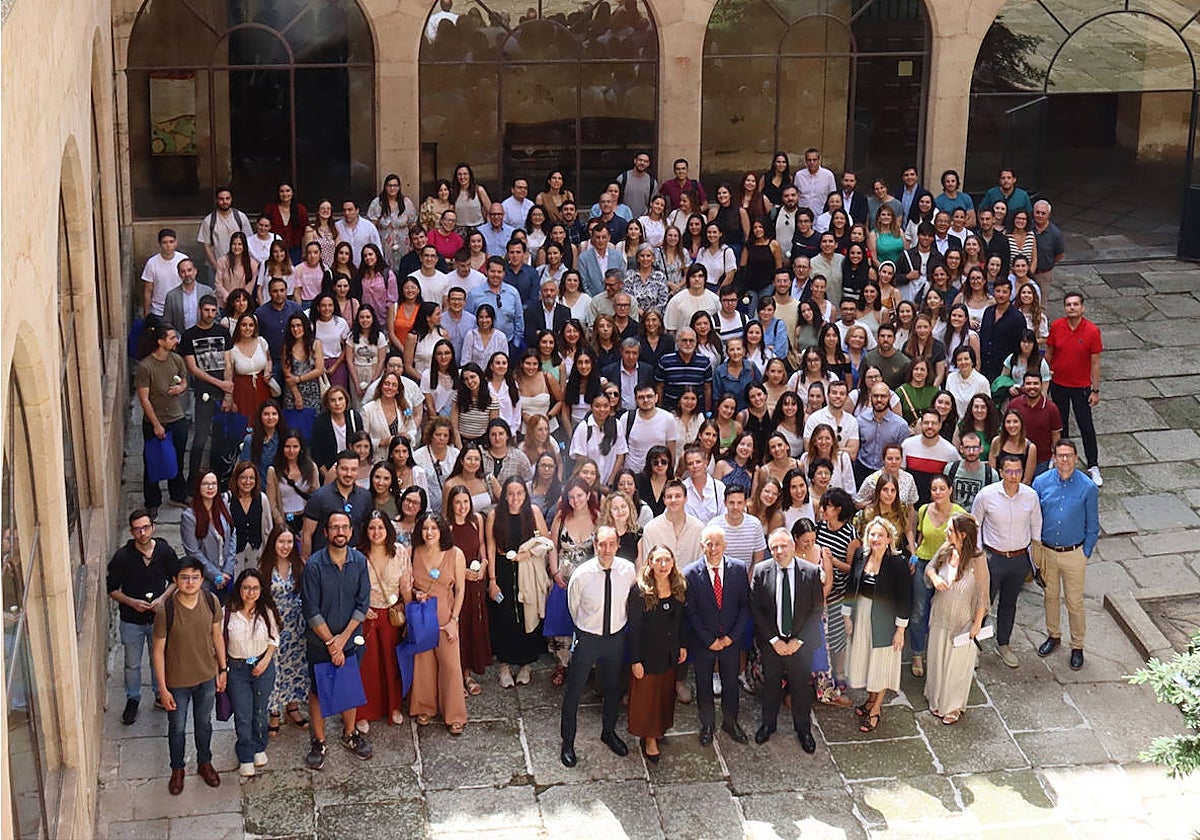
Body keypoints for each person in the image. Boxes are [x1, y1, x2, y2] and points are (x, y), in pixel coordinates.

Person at [559, 526, 638, 767]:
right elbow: (574, 607)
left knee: (613, 688)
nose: (605, 549)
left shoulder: (627, 570)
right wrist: (585, 629)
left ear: (617, 546)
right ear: (595, 546)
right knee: (575, 690)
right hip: (588, 638)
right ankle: (568, 742)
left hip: (615, 637)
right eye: (601, 544)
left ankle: (609, 731)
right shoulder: (582, 574)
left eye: (610, 544)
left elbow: (629, 603)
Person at [301, 511, 373, 770]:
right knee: (318, 690)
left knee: (348, 685)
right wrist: (332, 643)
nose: (340, 532)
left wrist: (342, 641)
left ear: (351, 532)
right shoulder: (314, 566)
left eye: (344, 527)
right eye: (334, 528)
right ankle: (319, 741)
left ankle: (349, 734)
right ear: (326, 532)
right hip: (320, 642)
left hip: (351, 638)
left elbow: (362, 603)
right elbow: (311, 610)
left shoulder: (359, 561)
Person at [152, 557, 226, 794]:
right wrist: (162, 689)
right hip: (177, 682)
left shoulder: (210, 600)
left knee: (204, 724)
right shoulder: (167, 610)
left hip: (205, 677)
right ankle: (177, 769)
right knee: (177, 728)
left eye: (195, 577)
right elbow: (158, 651)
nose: (190, 582)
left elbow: (217, 637)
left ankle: (205, 762)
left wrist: (222, 669)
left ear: (202, 579)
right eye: (184, 577)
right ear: (175, 580)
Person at [750, 528, 825, 752]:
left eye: (783, 546)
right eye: (774, 547)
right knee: (770, 686)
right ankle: (768, 725)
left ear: (793, 545)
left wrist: (798, 641)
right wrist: (774, 640)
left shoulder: (811, 572)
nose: (779, 551)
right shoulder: (761, 571)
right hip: (772, 644)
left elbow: (816, 610)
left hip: (800, 645)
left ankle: (803, 729)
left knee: (800, 688)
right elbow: (756, 610)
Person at [1032, 439, 1099, 671]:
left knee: (1075, 602)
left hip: (1074, 553)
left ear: (1076, 457)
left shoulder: (1087, 487)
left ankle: (1077, 645)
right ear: (1053, 457)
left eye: (1069, 455)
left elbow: (1093, 524)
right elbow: (1034, 516)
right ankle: (1053, 635)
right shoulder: (1040, 483)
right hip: (1048, 551)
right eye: (1060, 455)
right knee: (1050, 596)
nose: (1064, 460)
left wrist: (1086, 552)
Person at [971, 452, 1042, 668]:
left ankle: (1003, 644)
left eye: (1018, 471)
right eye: (1009, 471)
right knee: (983, 603)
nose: (1014, 476)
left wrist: (1035, 560)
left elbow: (1036, 527)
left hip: (1019, 559)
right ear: (1001, 472)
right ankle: (974, 645)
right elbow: (975, 525)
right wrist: (978, 555)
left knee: (1009, 604)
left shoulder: (1030, 496)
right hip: (993, 558)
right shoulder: (986, 495)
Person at [109, 510, 179, 725]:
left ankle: (161, 694)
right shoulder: (122, 557)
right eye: (137, 529)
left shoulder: (165, 552)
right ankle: (133, 699)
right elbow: (112, 589)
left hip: (158, 617)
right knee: (132, 663)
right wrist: (132, 602)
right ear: (131, 532)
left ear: (152, 527)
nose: (142, 533)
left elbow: (176, 580)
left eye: (145, 527)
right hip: (132, 620)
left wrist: (162, 598)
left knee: (159, 657)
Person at [843, 516, 912, 734]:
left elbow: (905, 598)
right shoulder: (860, 556)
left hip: (885, 621)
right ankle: (870, 700)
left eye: (880, 535)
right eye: (872, 534)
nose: (876, 538)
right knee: (866, 660)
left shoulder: (898, 562)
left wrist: (900, 630)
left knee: (881, 664)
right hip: (862, 615)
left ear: (889, 538)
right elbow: (850, 585)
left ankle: (876, 710)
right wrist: (847, 615)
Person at [684, 525, 751, 746]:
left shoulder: (739, 569)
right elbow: (691, 611)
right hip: (704, 642)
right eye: (708, 544)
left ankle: (730, 723)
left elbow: (744, 606)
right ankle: (708, 724)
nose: (713, 549)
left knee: (731, 684)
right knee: (703, 685)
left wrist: (731, 637)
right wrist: (708, 639)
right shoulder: (691, 573)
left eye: (717, 544)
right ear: (702, 545)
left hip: (731, 641)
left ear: (725, 545)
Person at [923, 512, 989, 724]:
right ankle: (936, 699)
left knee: (957, 666)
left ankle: (953, 706)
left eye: (950, 530)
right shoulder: (946, 548)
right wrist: (934, 578)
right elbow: (930, 568)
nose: (945, 532)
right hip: (941, 614)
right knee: (937, 658)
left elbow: (982, 595)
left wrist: (977, 623)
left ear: (962, 535)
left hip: (963, 619)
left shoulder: (978, 560)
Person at [626, 544, 687, 763]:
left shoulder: (678, 586)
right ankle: (649, 739)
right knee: (647, 699)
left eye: (667, 560)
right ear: (649, 562)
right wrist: (635, 660)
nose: (663, 565)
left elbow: (680, 622)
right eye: (658, 560)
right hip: (646, 656)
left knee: (664, 696)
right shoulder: (640, 591)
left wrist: (682, 645)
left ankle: (660, 729)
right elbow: (634, 629)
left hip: (669, 654)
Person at [409, 513, 468, 734]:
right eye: (425, 528)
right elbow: (408, 584)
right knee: (423, 662)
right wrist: (416, 594)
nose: (429, 532)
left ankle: (454, 714)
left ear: (441, 530)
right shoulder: (413, 552)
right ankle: (425, 706)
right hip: (422, 614)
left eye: (434, 527)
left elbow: (461, 589)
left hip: (446, 614)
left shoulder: (455, 554)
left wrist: (454, 619)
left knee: (451, 665)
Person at [487, 477, 550, 686]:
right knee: (504, 616)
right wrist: (492, 580)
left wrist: (528, 554)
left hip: (527, 571)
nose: (515, 498)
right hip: (504, 571)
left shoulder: (533, 513)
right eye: (511, 493)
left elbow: (546, 541)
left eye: (519, 493)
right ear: (504, 494)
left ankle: (526, 665)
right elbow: (490, 547)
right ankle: (504, 666)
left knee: (527, 615)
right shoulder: (495, 515)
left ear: (525, 494)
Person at [353, 510, 411, 733]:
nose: (376, 532)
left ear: (388, 530)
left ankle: (393, 706)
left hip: (392, 615)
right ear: (366, 531)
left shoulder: (399, 552)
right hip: (367, 616)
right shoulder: (357, 555)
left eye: (380, 527)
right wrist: (361, 608)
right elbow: (350, 587)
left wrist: (408, 611)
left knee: (391, 662)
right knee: (367, 665)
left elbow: (405, 584)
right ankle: (363, 712)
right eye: (372, 528)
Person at [222, 568, 280, 777]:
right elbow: (219, 642)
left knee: (260, 710)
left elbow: (274, 638)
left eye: (255, 588)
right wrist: (221, 669)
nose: (250, 592)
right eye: (246, 588)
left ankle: (259, 745)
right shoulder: (227, 612)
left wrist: (265, 661)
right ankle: (245, 754)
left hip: (262, 665)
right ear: (239, 589)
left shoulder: (267, 610)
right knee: (243, 713)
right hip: (237, 668)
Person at [1045, 292, 1103, 486]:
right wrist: (1045, 378)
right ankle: (1061, 461)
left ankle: (1093, 465)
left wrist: (1095, 390)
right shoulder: (1057, 326)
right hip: (1059, 384)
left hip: (1081, 387)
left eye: (1075, 304)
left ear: (1082, 307)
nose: (1072, 307)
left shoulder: (1092, 331)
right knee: (1061, 427)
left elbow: (1095, 363)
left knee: (1086, 425)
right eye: (1068, 304)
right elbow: (1050, 353)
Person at [136, 321, 191, 516]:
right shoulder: (145, 367)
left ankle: (177, 494)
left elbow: (184, 380)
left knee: (177, 456)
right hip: (156, 420)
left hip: (176, 416)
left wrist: (181, 388)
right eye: (171, 337)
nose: (175, 340)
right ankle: (152, 500)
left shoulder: (176, 360)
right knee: (152, 460)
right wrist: (157, 424)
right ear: (160, 341)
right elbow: (144, 399)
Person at [1008, 371, 1062, 476]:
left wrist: (1055, 457)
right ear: (1023, 386)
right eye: (1028, 383)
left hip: (1042, 461)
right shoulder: (1014, 404)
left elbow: (1056, 435)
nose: (1032, 387)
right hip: (1017, 459)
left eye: (1036, 383)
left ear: (1042, 386)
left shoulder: (1051, 408)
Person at [944, 431, 997, 509]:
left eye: (975, 448)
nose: (971, 452)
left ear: (981, 449)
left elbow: (993, 503)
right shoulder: (950, 469)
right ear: (961, 449)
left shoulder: (991, 474)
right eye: (967, 447)